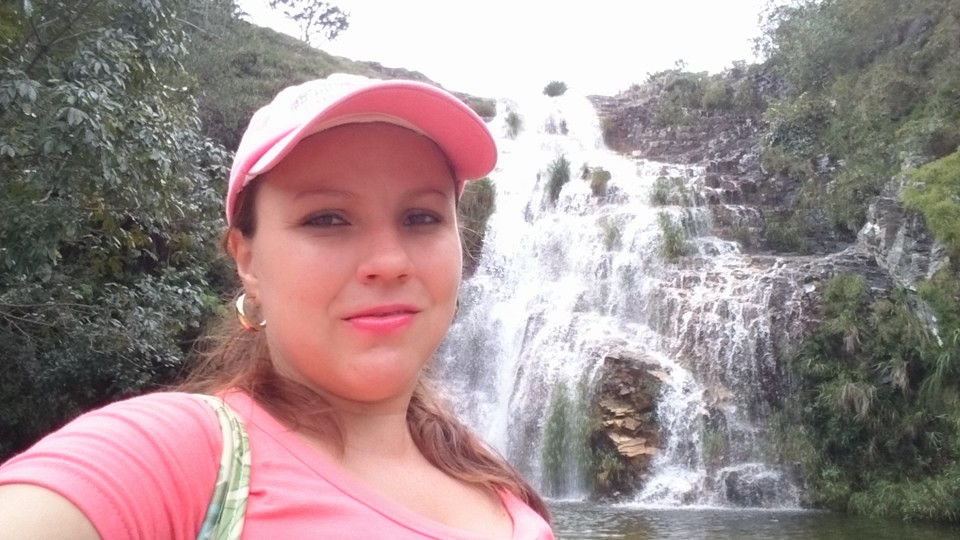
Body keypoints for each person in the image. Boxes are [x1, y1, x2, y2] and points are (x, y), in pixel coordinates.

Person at [0, 73, 554, 539]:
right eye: (327, 219)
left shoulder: (503, 494)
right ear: (247, 260)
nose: (389, 262)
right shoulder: (182, 457)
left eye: (421, 217)